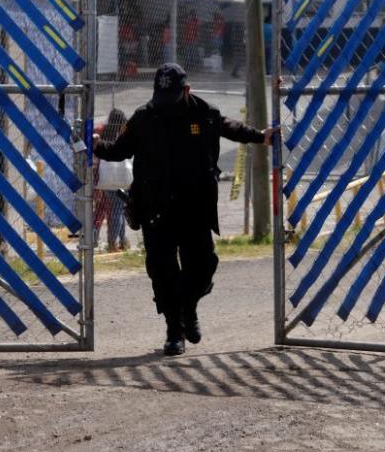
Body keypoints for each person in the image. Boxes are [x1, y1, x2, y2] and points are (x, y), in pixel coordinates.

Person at [93, 62, 276, 356]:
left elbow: (230, 127)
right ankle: (173, 331)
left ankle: (187, 308)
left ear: (186, 90)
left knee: (203, 267)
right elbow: (120, 150)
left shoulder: (203, 112)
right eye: (161, 97)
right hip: (156, 208)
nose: (166, 105)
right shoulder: (144, 116)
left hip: (195, 207)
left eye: (173, 98)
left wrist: (261, 136)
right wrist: (97, 145)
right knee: (162, 272)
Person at [92, 109, 130, 252]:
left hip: (101, 177)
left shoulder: (101, 132)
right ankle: (114, 242)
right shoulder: (122, 134)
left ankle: (99, 240)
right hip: (120, 178)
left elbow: (95, 158)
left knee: (102, 212)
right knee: (118, 211)